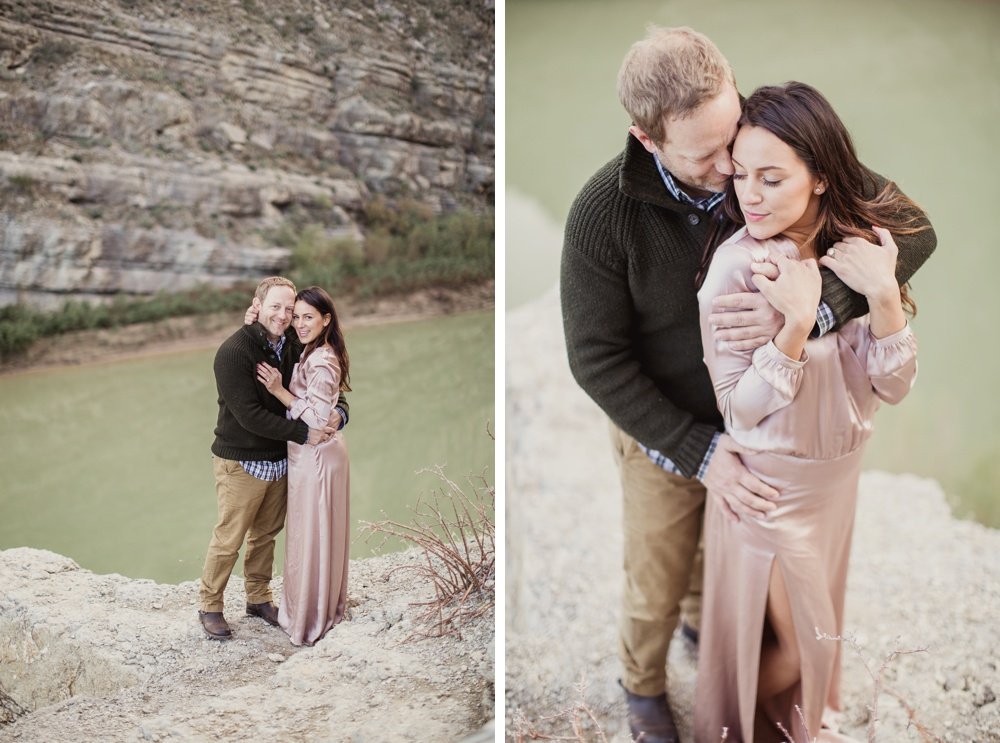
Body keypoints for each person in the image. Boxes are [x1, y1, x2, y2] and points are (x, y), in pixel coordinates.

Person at [559, 27, 936, 742]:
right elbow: (595, 358)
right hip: (668, 420)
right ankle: (641, 686)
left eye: (730, 135)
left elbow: (911, 231)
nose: (732, 164)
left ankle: (715, 637)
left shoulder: (767, 150)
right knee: (658, 568)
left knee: (735, 569)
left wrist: (819, 309)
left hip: (778, 427)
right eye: (707, 156)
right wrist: (701, 451)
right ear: (646, 139)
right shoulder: (603, 214)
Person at [693, 82, 927, 743]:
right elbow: (739, 411)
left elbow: (895, 387)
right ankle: (723, 727)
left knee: (813, 648)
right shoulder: (734, 274)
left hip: (838, 486)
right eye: (741, 176)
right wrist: (793, 329)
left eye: (772, 177)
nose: (751, 196)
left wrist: (883, 297)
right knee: (806, 647)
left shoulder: (859, 251)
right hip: (773, 491)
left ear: (821, 175)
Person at [198, 276, 349, 641]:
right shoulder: (233, 352)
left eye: (290, 309)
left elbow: (324, 393)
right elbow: (250, 415)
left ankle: (258, 598)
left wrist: (340, 414)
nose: (284, 316)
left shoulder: (295, 344)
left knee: (265, 535)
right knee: (229, 537)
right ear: (258, 305)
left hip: (281, 460)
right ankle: (210, 604)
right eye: (276, 307)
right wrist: (303, 433)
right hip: (243, 461)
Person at [256, 286, 351, 646]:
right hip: (308, 457)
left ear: (326, 319)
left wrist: (280, 391)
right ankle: (313, 608)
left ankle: (312, 617)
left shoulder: (323, 360)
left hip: (317, 458)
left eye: (307, 317)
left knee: (314, 534)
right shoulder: (311, 351)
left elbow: (314, 419)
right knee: (309, 533)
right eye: (296, 317)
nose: (299, 324)